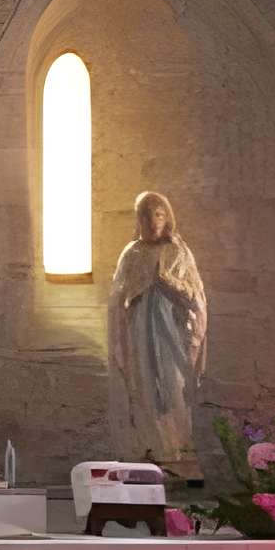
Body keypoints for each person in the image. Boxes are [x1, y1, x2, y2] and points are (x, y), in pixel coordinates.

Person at [107, 188, 208, 468]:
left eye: (159, 215)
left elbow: (194, 296)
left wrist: (168, 282)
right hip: (139, 331)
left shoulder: (178, 251)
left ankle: (176, 451)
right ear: (139, 220)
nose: (153, 222)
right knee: (143, 387)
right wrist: (135, 292)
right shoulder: (132, 253)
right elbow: (118, 298)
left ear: (167, 218)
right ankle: (149, 448)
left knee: (173, 388)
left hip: (172, 333)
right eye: (147, 216)